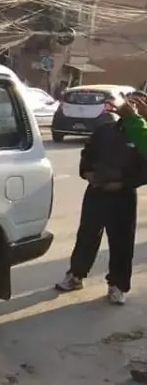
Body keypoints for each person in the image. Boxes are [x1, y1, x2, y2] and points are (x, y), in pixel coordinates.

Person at [55, 92, 147, 305]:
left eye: (136, 104)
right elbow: (87, 155)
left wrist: (123, 184)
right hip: (96, 191)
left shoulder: (140, 136)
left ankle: (118, 285)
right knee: (87, 235)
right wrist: (87, 173)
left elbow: (144, 172)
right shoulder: (104, 131)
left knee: (122, 243)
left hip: (122, 195)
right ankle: (75, 276)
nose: (130, 107)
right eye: (128, 103)